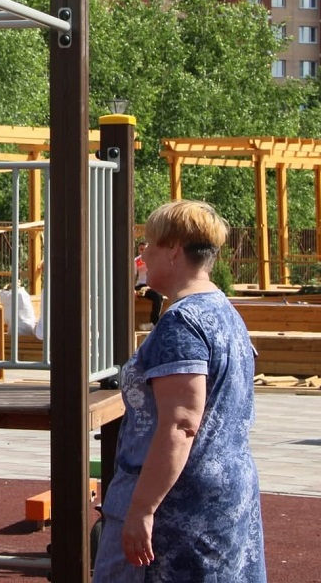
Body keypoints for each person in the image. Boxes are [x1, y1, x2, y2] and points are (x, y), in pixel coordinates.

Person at [93, 199, 266, 582]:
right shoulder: (226, 311)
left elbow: (181, 424)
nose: (143, 254)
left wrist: (142, 508)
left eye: (149, 244)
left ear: (173, 249)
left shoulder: (183, 322)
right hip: (225, 491)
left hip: (179, 504)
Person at [134, 240, 165, 325]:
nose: (143, 251)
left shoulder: (155, 260)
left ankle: (154, 322)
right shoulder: (136, 261)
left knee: (158, 296)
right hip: (141, 285)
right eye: (141, 249)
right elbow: (132, 276)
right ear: (138, 250)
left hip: (152, 285)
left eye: (145, 249)